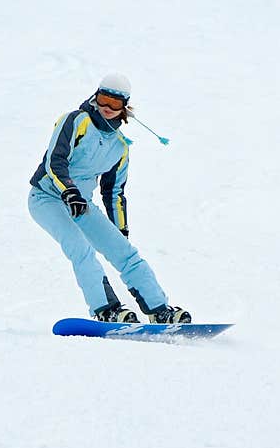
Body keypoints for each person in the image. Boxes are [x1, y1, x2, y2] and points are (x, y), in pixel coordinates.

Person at [28, 73, 191, 324]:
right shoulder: (76, 121)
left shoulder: (120, 147)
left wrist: (119, 230)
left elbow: (113, 192)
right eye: (103, 100)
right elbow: (54, 160)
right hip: (47, 197)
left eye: (114, 104)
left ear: (124, 107)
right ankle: (106, 309)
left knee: (125, 253)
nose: (107, 108)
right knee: (80, 248)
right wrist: (69, 191)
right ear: (95, 97)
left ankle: (160, 310)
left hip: (81, 205)